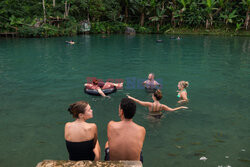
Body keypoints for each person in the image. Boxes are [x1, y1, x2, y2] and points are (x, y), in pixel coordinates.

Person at [105, 98, 146, 163]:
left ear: (121, 111)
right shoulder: (141, 130)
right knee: (139, 149)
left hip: (115, 163)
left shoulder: (111, 125)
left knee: (107, 143)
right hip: (134, 164)